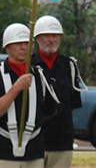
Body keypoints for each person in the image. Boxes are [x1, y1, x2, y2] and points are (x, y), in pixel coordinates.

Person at [0, 23, 59, 168]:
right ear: (7, 47)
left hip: (34, 152)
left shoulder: (40, 74)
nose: (24, 48)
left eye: (27, 43)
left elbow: (49, 110)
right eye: (18, 44)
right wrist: (16, 88)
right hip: (2, 152)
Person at [31, 16, 85, 168]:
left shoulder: (70, 66)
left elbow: (74, 103)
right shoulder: (29, 65)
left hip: (62, 141)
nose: (50, 40)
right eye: (46, 35)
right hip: (35, 140)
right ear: (37, 38)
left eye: (54, 35)